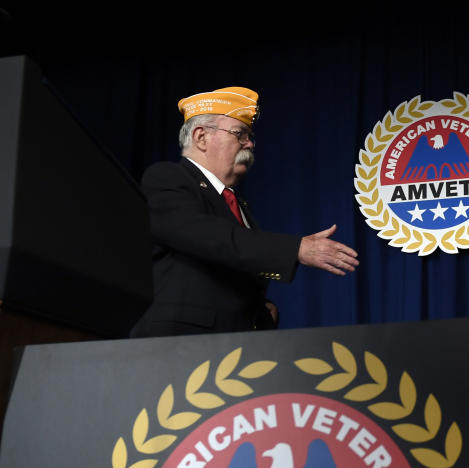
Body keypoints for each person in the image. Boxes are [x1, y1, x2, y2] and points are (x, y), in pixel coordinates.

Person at [130, 87, 359, 337]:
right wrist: (297, 249)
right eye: (239, 134)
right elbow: (208, 238)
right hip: (180, 345)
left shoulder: (238, 205)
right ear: (201, 137)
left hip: (232, 351)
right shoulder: (167, 177)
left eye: (249, 136)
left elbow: (228, 268)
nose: (249, 143)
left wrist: (260, 311)